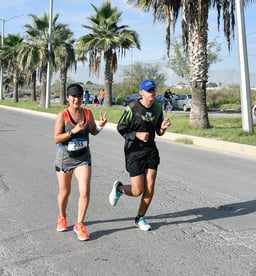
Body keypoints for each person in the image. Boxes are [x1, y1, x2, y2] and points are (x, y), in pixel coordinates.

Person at [109, 79, 171, 231]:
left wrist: (163, 128)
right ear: (141, 92)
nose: (152, 93)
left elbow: (158, 132)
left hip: (150, 151)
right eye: (149, 91)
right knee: (137, 191)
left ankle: (140, 217)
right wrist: (136, 134)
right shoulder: (133, 108)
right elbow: (121, 127)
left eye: (154, 90)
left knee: (150, 187)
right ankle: (119, 189)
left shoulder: (157, 108)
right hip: (134, 151)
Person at [54, 83, 107, 241]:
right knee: (65, 192)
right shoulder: (63, 115)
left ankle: (79, 224)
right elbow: (56, 138)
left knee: (84, 191)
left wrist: (100, 126)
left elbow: (93, 132)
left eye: (79, 96)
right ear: (68, 98)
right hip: (65, 158)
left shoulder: (87, 113)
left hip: (83, 158)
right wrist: (72, 131)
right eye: (74, 96)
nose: (77, 99)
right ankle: (62, 217)